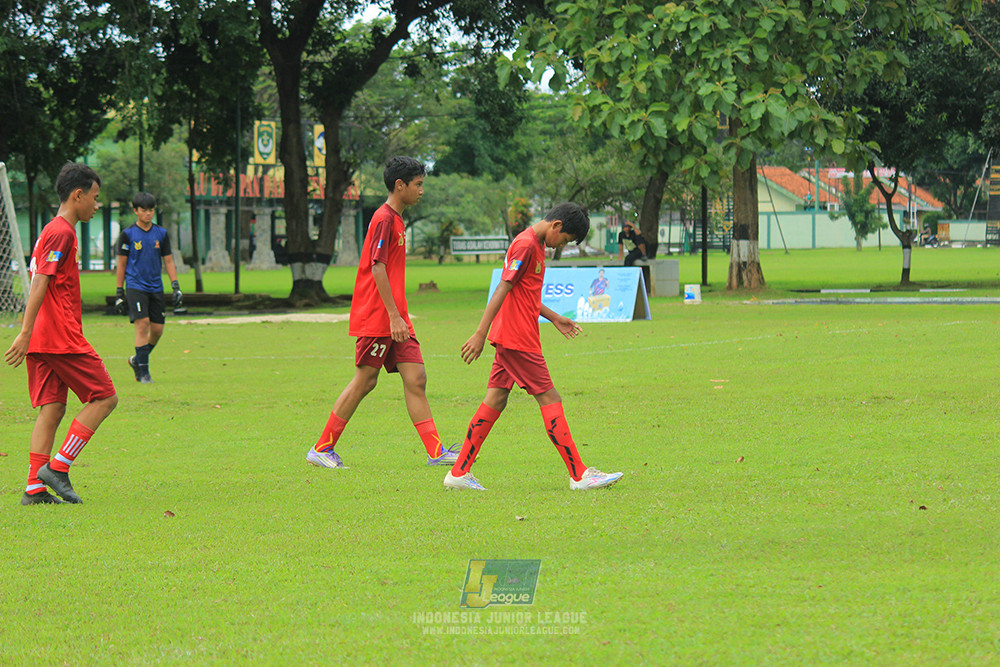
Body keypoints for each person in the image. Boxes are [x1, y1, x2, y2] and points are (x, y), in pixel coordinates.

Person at [445, 202, 623, 491]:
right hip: (517, 339)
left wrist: (554, 318)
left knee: (496, 399)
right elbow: (503, 287)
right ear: (556, 226)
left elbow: (524, 293)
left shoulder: (536, 244)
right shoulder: (527, 245)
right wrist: (480, 332)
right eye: (563, 240)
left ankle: (459, 473)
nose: (559, 247)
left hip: (514, 336)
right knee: (550, 398)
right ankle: (579, 475)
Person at [306, 156, 458, 469]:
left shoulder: (397, 219)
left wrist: (399, 315)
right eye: (418, 185)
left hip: (396, 317)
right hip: (380, 317)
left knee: (416, 378)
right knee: (366, 379)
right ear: (399, 185)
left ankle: (436, 451)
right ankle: (322, 448)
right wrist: (393, 316)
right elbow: (377, 268)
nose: (421, 191)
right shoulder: (384, 218)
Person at [4, 162, 118, 505]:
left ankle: (34, 488)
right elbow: (40, 282)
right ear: (77, 195)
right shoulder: (62, 232)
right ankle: (59, 467)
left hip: (44, 335)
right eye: (95, 198)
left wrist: (29, 334)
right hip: (58, 334)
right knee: (105, 397)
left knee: (52, 409)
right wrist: (24, 333)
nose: (97, 205)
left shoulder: (53, 230)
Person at [114, 192, 182, 383]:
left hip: (156, 287)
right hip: (136, 286)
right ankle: (144, 373)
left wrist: (175, 286)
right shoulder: (127, 235)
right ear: (136, 211)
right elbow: (121, 264)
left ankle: (137, 360)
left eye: (151, 210)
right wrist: (120, 292)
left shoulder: (161, 234)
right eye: (144, 210)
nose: (148, 214)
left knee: (158, 330)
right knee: (142, 326)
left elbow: (168, 261)